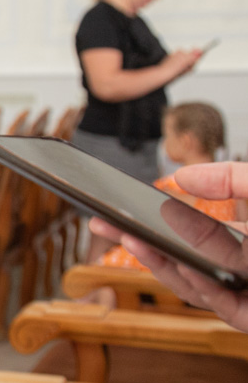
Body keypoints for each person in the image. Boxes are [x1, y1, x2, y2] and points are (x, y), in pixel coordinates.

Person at [74, 0, 204, 258]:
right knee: (109, 232)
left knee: (127, 232)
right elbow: (106, 85)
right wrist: (166, 70)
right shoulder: (99, 21)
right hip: (111, 143)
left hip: (137, 141)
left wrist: (175, 68)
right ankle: (93, 290)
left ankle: (108, 287)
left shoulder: (134, 20)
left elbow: (146, 79)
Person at [91, 161, 248, 344]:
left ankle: (92, 327)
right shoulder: (236, 199)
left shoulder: (170, 186)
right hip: (226, 287)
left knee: (107, 265)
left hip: (169, 290)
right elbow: (244, 235)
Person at [99, 102, 236, 273]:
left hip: (167, 269)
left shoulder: (171, 188)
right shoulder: (234, 188)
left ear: (186, 141)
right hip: (213, 267)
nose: (164, 144)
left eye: (167, 136)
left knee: (98, 268)